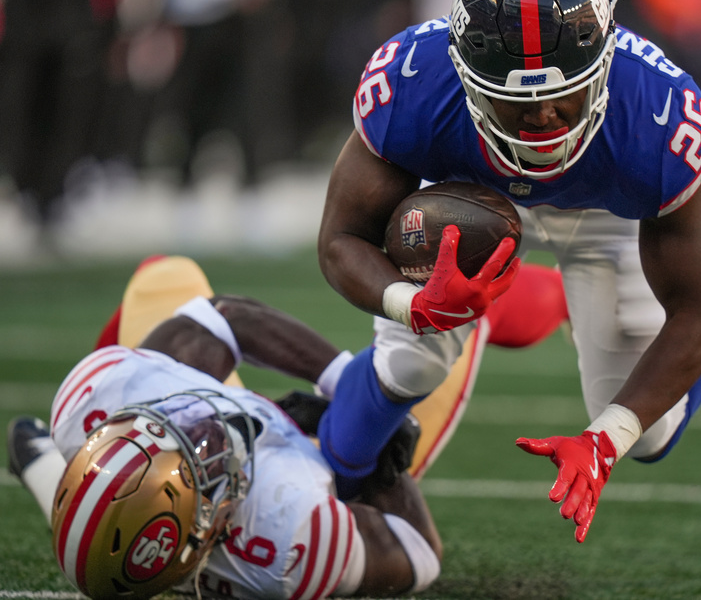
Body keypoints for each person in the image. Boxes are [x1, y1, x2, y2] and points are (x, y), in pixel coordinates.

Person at [316, 0, 701, 544]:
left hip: (612, 204)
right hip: (473, 190)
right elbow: (340, 240)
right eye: (517, 105)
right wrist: (412, 303)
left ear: (603, 67)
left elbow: (698, 316)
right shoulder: (415, 83)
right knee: (410, 362)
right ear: (468, 78)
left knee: (648, 434)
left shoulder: (655, 119)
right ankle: (326, 489)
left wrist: (605, 442)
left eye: (563, 98)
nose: (545, 120)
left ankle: (700, 205)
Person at [6, 255, 445, 599]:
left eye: (179, 431)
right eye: (202, 464)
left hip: (164, 426)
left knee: (166, 276)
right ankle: (41, 462)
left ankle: (41, 461)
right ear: (203, 531)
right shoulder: (286, 545)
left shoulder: (97, 397)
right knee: (414, 372)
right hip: (314, 477)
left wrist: (339, 380)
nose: (203, 432)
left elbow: (227, 317)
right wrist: (370, 430)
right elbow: (419, 553)